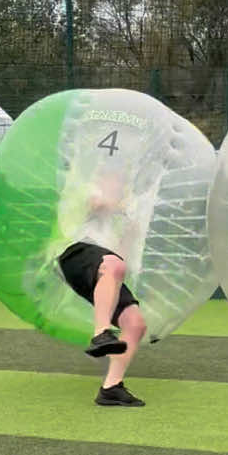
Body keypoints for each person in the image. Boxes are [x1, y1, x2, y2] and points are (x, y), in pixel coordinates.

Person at [56, 168, 148, 407]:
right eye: (117, 173)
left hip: (106, 266)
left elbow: (123, 256)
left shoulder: (128, 205)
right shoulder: (88, 187)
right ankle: (101, 334)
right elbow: (96, 203)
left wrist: (132, 228)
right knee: (114, 266)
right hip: (75, 253)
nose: (121, 178)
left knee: (135, 324)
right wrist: (122, 206)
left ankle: (111, 388)